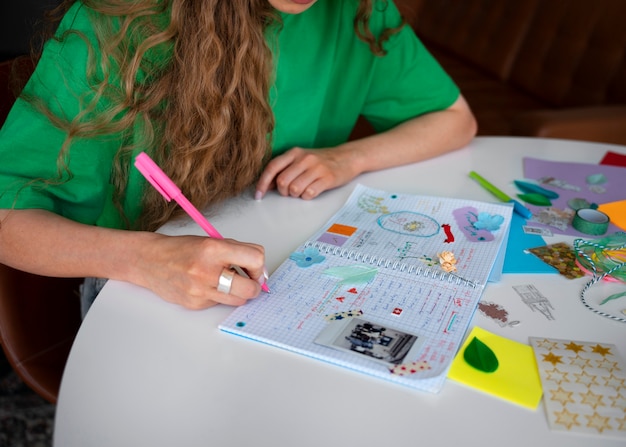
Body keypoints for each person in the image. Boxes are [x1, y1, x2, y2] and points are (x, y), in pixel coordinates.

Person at [0, 0, 477, 313]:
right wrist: (148, 259)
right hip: (138, 287)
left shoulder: (356, 11)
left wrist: (349, 158)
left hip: (276, 279)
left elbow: (456, 119)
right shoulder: (121, 17)